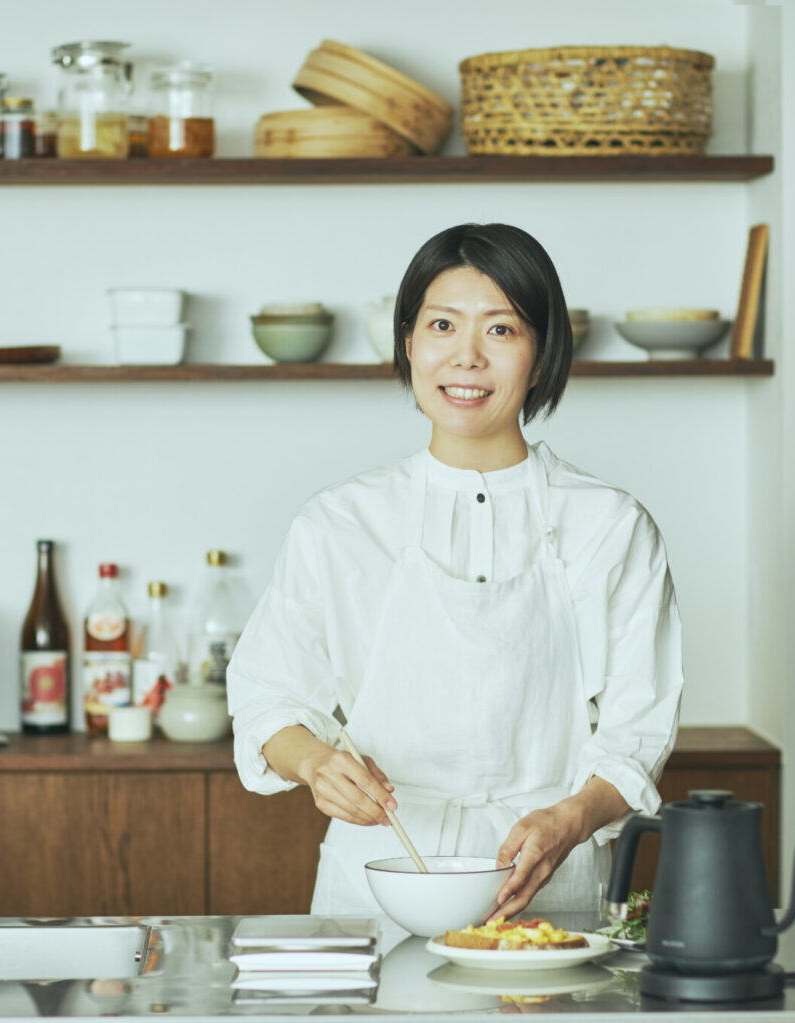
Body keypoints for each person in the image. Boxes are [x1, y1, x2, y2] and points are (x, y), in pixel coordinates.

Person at [227, 223, 683, 919]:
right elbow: (266, 694)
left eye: (501, 330)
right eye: (442, 325)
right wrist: (316, 764)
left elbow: (638, 726)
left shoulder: (611, 525)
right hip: (377, 876)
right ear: (409, 343)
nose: (466, 357)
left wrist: (573, 817)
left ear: (542, 354)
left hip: (539, 881)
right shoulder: (340, 521)